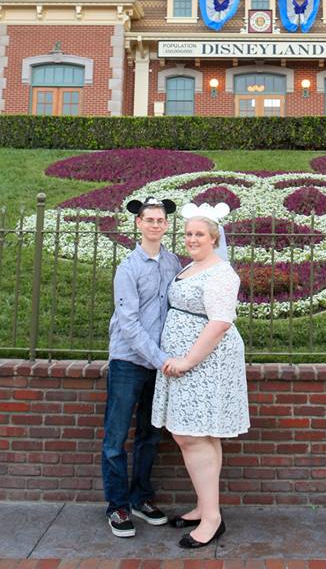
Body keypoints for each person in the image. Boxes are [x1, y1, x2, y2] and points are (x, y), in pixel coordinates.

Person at [152, 201, 250, 550]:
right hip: (187, 362)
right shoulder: (191, 267)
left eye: (199, 234)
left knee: (192, 435)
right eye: (189, 233)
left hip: (205, 363)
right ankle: (205, 507)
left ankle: (212, 520)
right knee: (200, 436)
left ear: (214, 238)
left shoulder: (221, 273)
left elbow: (220, 323)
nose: (192, 239)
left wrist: (188, 360)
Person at [101, 195, 181, 538]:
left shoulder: (173, 262)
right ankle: (117, 505)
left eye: (160, 220)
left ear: (165, 224)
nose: (155, 225)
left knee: (150, 435)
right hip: (129, 361)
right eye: (149, 220)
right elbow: (129, 324)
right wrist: (160, 358)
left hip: (159, 364)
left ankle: (140, 498)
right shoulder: (128, 268)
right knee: (116, 437)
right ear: (138, 223)